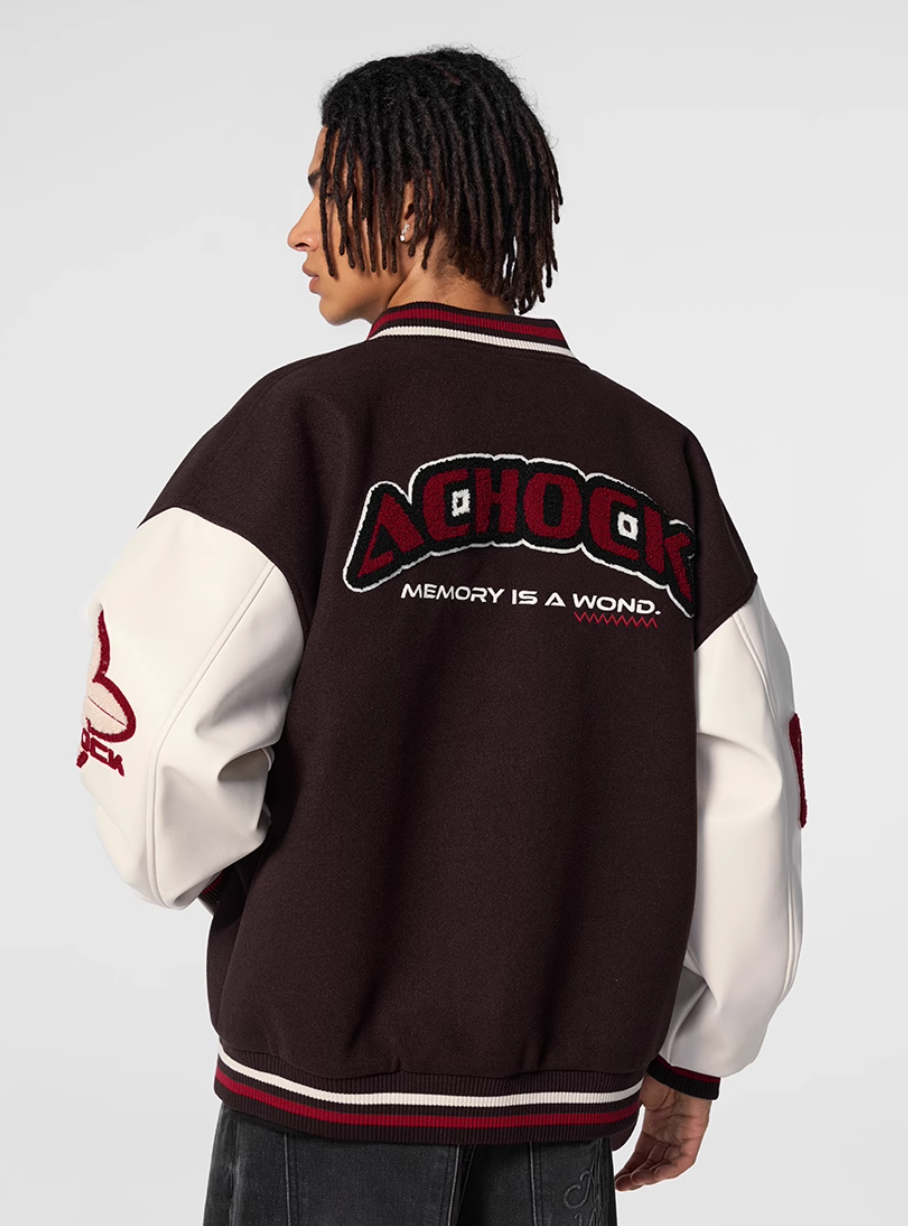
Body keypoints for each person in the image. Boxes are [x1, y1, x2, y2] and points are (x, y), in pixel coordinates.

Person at [75, 45, 806, 1225]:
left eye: (325, 191)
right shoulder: (655, 458)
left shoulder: (303, 427)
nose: (297, 232)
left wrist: (243, 879)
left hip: (322, 1096)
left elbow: (158, 745)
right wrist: (698, 1049)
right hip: (560, 1110)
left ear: (410, 203)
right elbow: (748, 781)